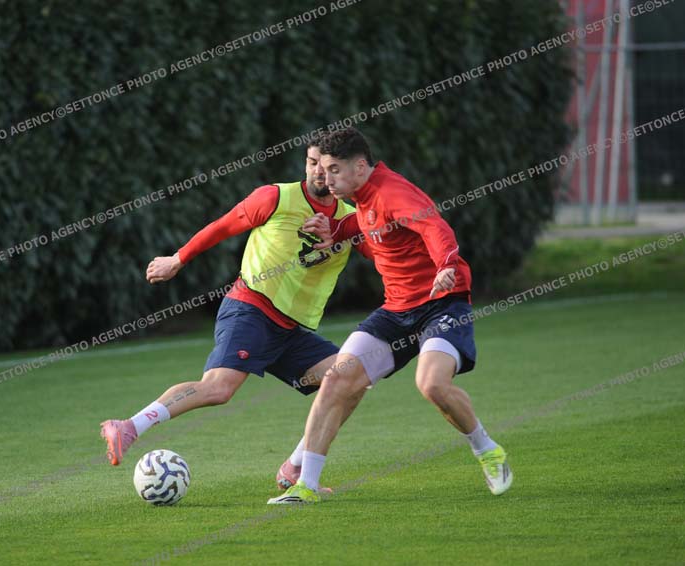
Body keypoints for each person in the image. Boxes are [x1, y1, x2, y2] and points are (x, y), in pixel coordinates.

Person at [100, 139, 371, 492]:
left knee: (352, 379)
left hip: (291, 330)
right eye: (311, 162)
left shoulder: (350, 219)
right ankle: (129, 427)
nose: (318, 171)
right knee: (218, 388)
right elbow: (223, 226)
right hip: (251, 309)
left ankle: (295, 467)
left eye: (327, 165)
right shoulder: (275, 197)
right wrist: (177, 260)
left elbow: (380, 253)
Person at [268, 127, 512, 504]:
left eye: (334, 170)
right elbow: (367, 223)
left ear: (360, 166)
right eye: (322, 169)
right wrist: (335, 230)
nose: (325, 178)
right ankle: (306, 486)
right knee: (337, 380)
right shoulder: (364, 197)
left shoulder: (392, 192)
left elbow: (435, 227)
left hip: (442, 303)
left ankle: (488, 451)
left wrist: (446, 264)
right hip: (396, 310)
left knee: (431, 385)